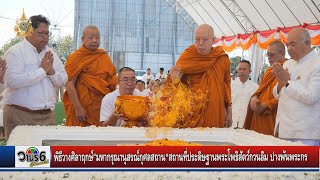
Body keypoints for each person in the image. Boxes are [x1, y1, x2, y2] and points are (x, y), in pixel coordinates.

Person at [3, 15, 67, 139]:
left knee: (44, 157)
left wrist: (51, 72)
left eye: (47, 34)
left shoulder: (51, 53)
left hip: (47, 116)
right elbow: (13, 81)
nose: (45, 37)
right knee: (20, 156)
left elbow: (63, 79)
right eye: (41, 33)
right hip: (20, 114)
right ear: (28, 33)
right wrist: (42, 71)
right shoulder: (15, 52)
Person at [169, 24, 232, 128]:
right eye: (197, 39)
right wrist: (174, 81)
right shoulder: (188, 57)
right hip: (191, 114)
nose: (200, 43)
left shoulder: (221, 58)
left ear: (213, 40)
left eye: (205, 39)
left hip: (215, 113)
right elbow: (173, 86)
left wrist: (229, 111)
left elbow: (227, 85)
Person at [272, 28, 320, 145]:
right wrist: (280, 82)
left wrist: (287, 82)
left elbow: (311, 97)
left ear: (307, 43)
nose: (289, 49)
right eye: (287, 45)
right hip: (284, 129)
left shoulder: (317, 64)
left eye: (293, 44)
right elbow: (278, 95)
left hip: (305, 133)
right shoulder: (288, 63)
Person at [64, 25, 117, 127]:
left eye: (97, 37)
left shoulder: (104, 56)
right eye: (90, 37)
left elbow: (112, 81)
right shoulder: (76, 57)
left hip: (102, 107)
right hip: (83, 108)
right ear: (83, 39)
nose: (94, 40)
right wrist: (78, 108)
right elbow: (69, 83)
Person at [243, 41, 286, 135]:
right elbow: (261, 89)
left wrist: (266, 105)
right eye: (268, 55)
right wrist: (254, 97)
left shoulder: (287, 68)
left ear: (282, 54)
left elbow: (287, 95)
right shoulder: (269, 70)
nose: (269, 58)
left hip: (273, 115)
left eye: (272, 55)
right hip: (259, 115)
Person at [231, 60, 258, 128]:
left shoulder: (256, 87)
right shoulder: (231, 85)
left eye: (244, 69)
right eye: (240, 69)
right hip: (231, 120)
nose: (241, 71)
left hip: (247, 122)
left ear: (250, 71)